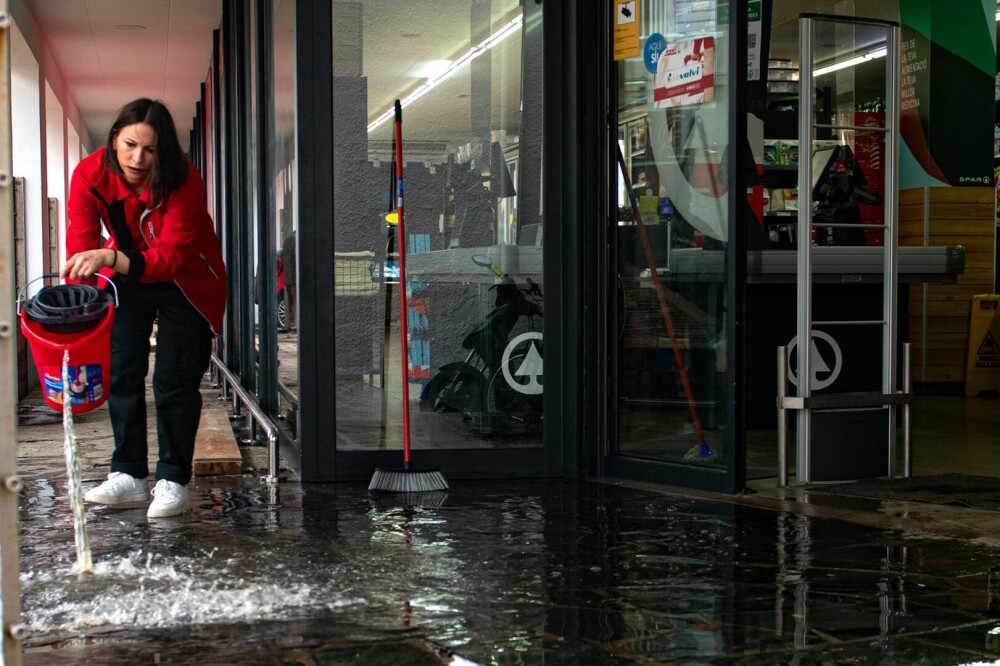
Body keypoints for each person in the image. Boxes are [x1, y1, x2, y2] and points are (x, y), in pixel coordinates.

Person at [61, 98, 227, 518]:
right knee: (122, 372)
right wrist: (75, 297)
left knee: (173, 381)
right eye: (131, 144)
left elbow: (171, 257)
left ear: (164, 151)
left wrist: (110, 258)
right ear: (114, 138)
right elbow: (81, 241)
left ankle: (173, 479)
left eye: (150, 150)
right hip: (125, 277)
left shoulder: (184, 179)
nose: (138, 158)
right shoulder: (89, 173)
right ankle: (129, 475)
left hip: (185, 281)